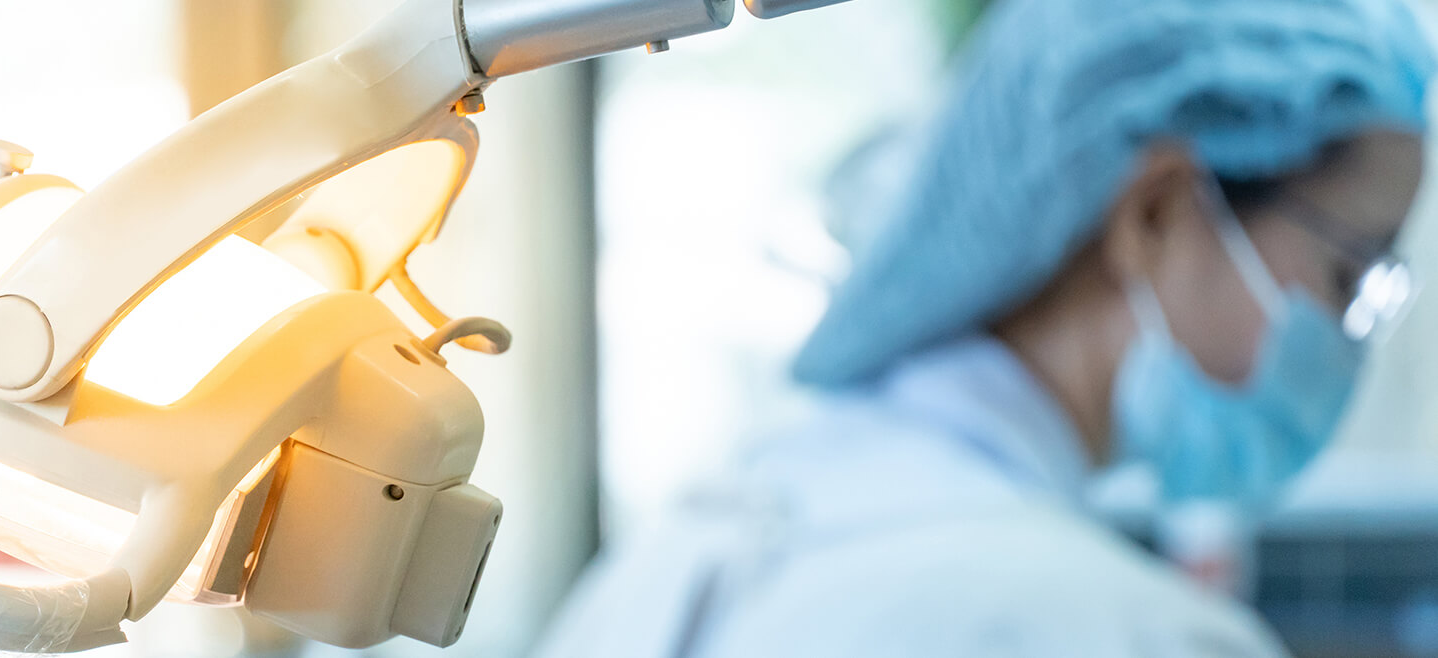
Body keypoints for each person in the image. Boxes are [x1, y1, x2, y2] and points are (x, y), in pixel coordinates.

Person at [537, 0, 1434, 655]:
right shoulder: (1134, 637)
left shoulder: (702, 540)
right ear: (1154, 213)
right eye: (1349, 272)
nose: (1350, 332)